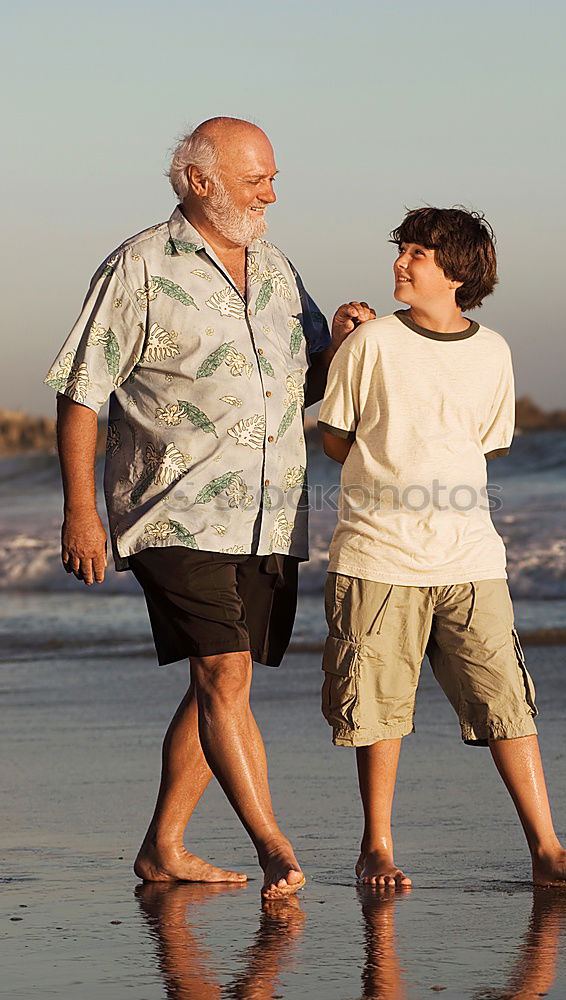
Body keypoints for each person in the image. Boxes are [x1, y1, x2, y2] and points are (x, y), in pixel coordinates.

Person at [44, 116, 374, 899]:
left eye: (272, 177)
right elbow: (81, 389)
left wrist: (348, 344)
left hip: (269, 512)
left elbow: (313, 380)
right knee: (223, 672)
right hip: (172, 509)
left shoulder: (278, 268)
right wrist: (81, 514)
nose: (271, 192)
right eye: (257, 177)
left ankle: (164, 847)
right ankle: (275, 847)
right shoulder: (140, 267)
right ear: (201, 181)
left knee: (219, 685)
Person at [317, 206, 566, 888]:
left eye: (415, 253)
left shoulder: (494, 351)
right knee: (376, 709)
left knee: (506, 702)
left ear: (454, 271)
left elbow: (485, 441)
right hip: (377, 555)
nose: (401, 262)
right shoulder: (371, 345)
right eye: (403, 250)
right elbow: (335, 442)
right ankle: (378, 848)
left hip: (471, 560)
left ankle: (547, 849)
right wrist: (340, 351)